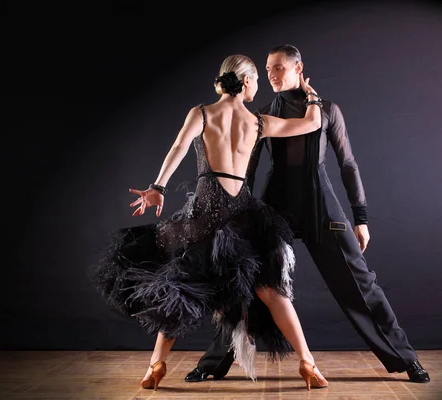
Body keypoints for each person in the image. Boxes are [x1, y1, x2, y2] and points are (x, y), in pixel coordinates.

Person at [185, 45, 431, 384]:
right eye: (267, 69)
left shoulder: (327, 110)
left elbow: (348, 164)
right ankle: (213, 362)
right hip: (274, 207)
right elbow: (247, 171)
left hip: (321, 206)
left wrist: (360, 217)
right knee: (246, 282)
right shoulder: (263, 112)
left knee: (361, 285)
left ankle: (406, 359)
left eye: (278, 68)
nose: (271, 74)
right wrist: (235, 217)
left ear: (298, 67)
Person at [90, 54, 330, 391]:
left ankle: (155, 365)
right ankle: (308, 363)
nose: (258, 85)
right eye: (257, 80)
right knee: (272, 291)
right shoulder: (259, 122)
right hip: (244, 214)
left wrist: (158, 188)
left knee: (183, 288)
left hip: (206, 211)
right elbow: (312, 123)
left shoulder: (202, 113)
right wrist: (311, 94)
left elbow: (179, 146)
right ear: (246, 82)